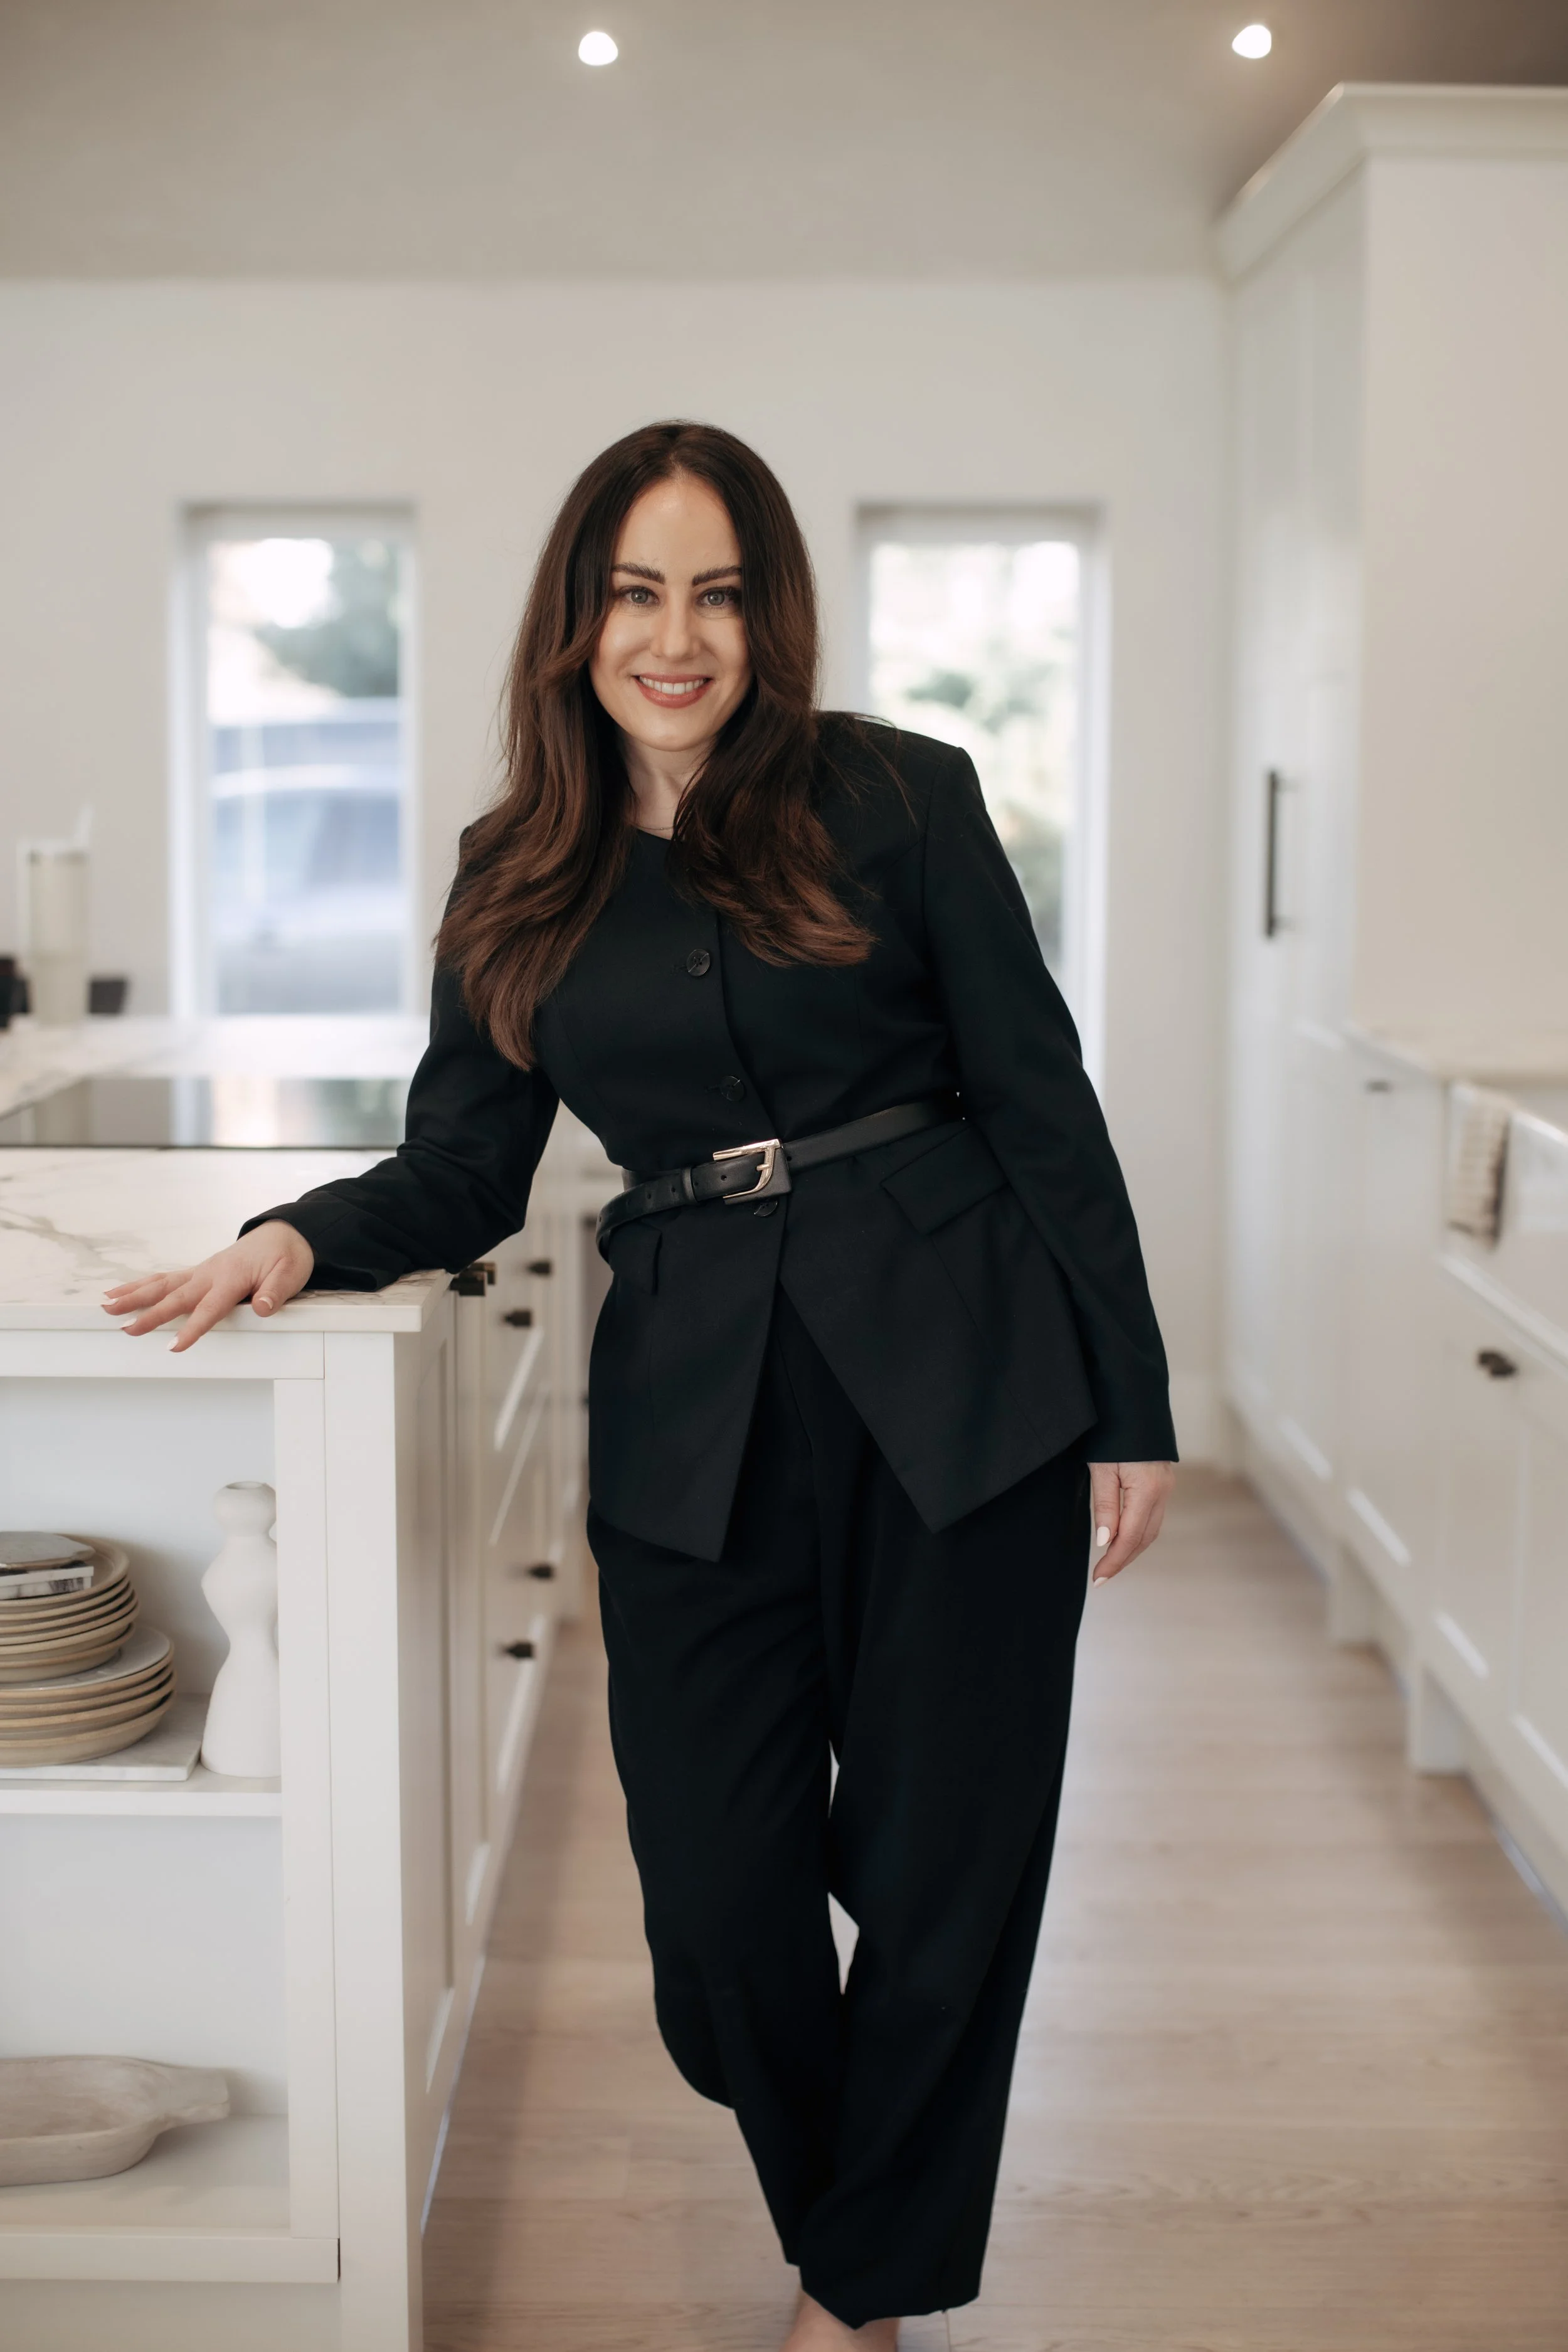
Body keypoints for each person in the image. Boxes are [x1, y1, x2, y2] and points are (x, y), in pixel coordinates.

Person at [104, 420, 1177, 2349]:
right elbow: (465, 1164)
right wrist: (295, 1235)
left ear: (767, 614)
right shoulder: (515, 869)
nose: (672, 636)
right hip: (696, 1402)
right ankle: (859, 2187)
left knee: (951, 1875)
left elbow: (1040, 1100)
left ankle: (854, 2287)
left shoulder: (905, 798)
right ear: (573, 619)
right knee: (716, 1903)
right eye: (632, 592)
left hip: (964, 1371)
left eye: (714, 593)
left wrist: (1131, 1393)